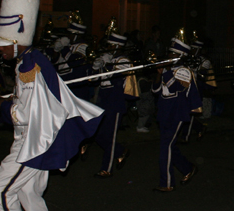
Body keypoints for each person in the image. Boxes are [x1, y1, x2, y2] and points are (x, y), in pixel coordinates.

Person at [0, 0, 104, 211]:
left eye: (2, 44)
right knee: (27, 193)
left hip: (32, 142)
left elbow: (28, 113)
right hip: (34, 138)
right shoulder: (30, 62)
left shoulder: (30, 65)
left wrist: (3, 107)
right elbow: (34, 101)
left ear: (16, 42)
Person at [151, 36, 201, 191]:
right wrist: (159, 74)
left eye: (173, 54)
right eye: (170, 52)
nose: (169, 56)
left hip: (177, 114)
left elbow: (175, 88)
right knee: (170, 146)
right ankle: (187, 168)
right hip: (164, 113)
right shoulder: (168, 70)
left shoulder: (185, 71)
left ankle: (166, 183)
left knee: (166, 147)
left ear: (180, 56)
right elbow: (155, 90)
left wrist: (165, 71)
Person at [89, 30, 139, 177]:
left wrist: (106, 66)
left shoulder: (123, 61)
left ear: (117, 46)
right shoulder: (107, 58)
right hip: (103, 98)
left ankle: (107, 168)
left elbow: (116, 80)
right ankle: (120, 151)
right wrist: (96, 67)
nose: (108, 48)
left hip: (115, 100)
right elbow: (94, 80)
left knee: (110, 136)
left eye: (110, 45)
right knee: (97, 133)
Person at [181, 39, 216, 143]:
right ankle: (200, 128)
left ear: (199, 50)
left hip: (197, 89)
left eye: (194, 49)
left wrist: (192, 69)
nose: (191, 50)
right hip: (186, 88)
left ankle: (185, 137)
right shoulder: (187, 59)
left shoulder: (205, 61)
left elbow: (202, 74)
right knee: (185, 112)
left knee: (191, 112)